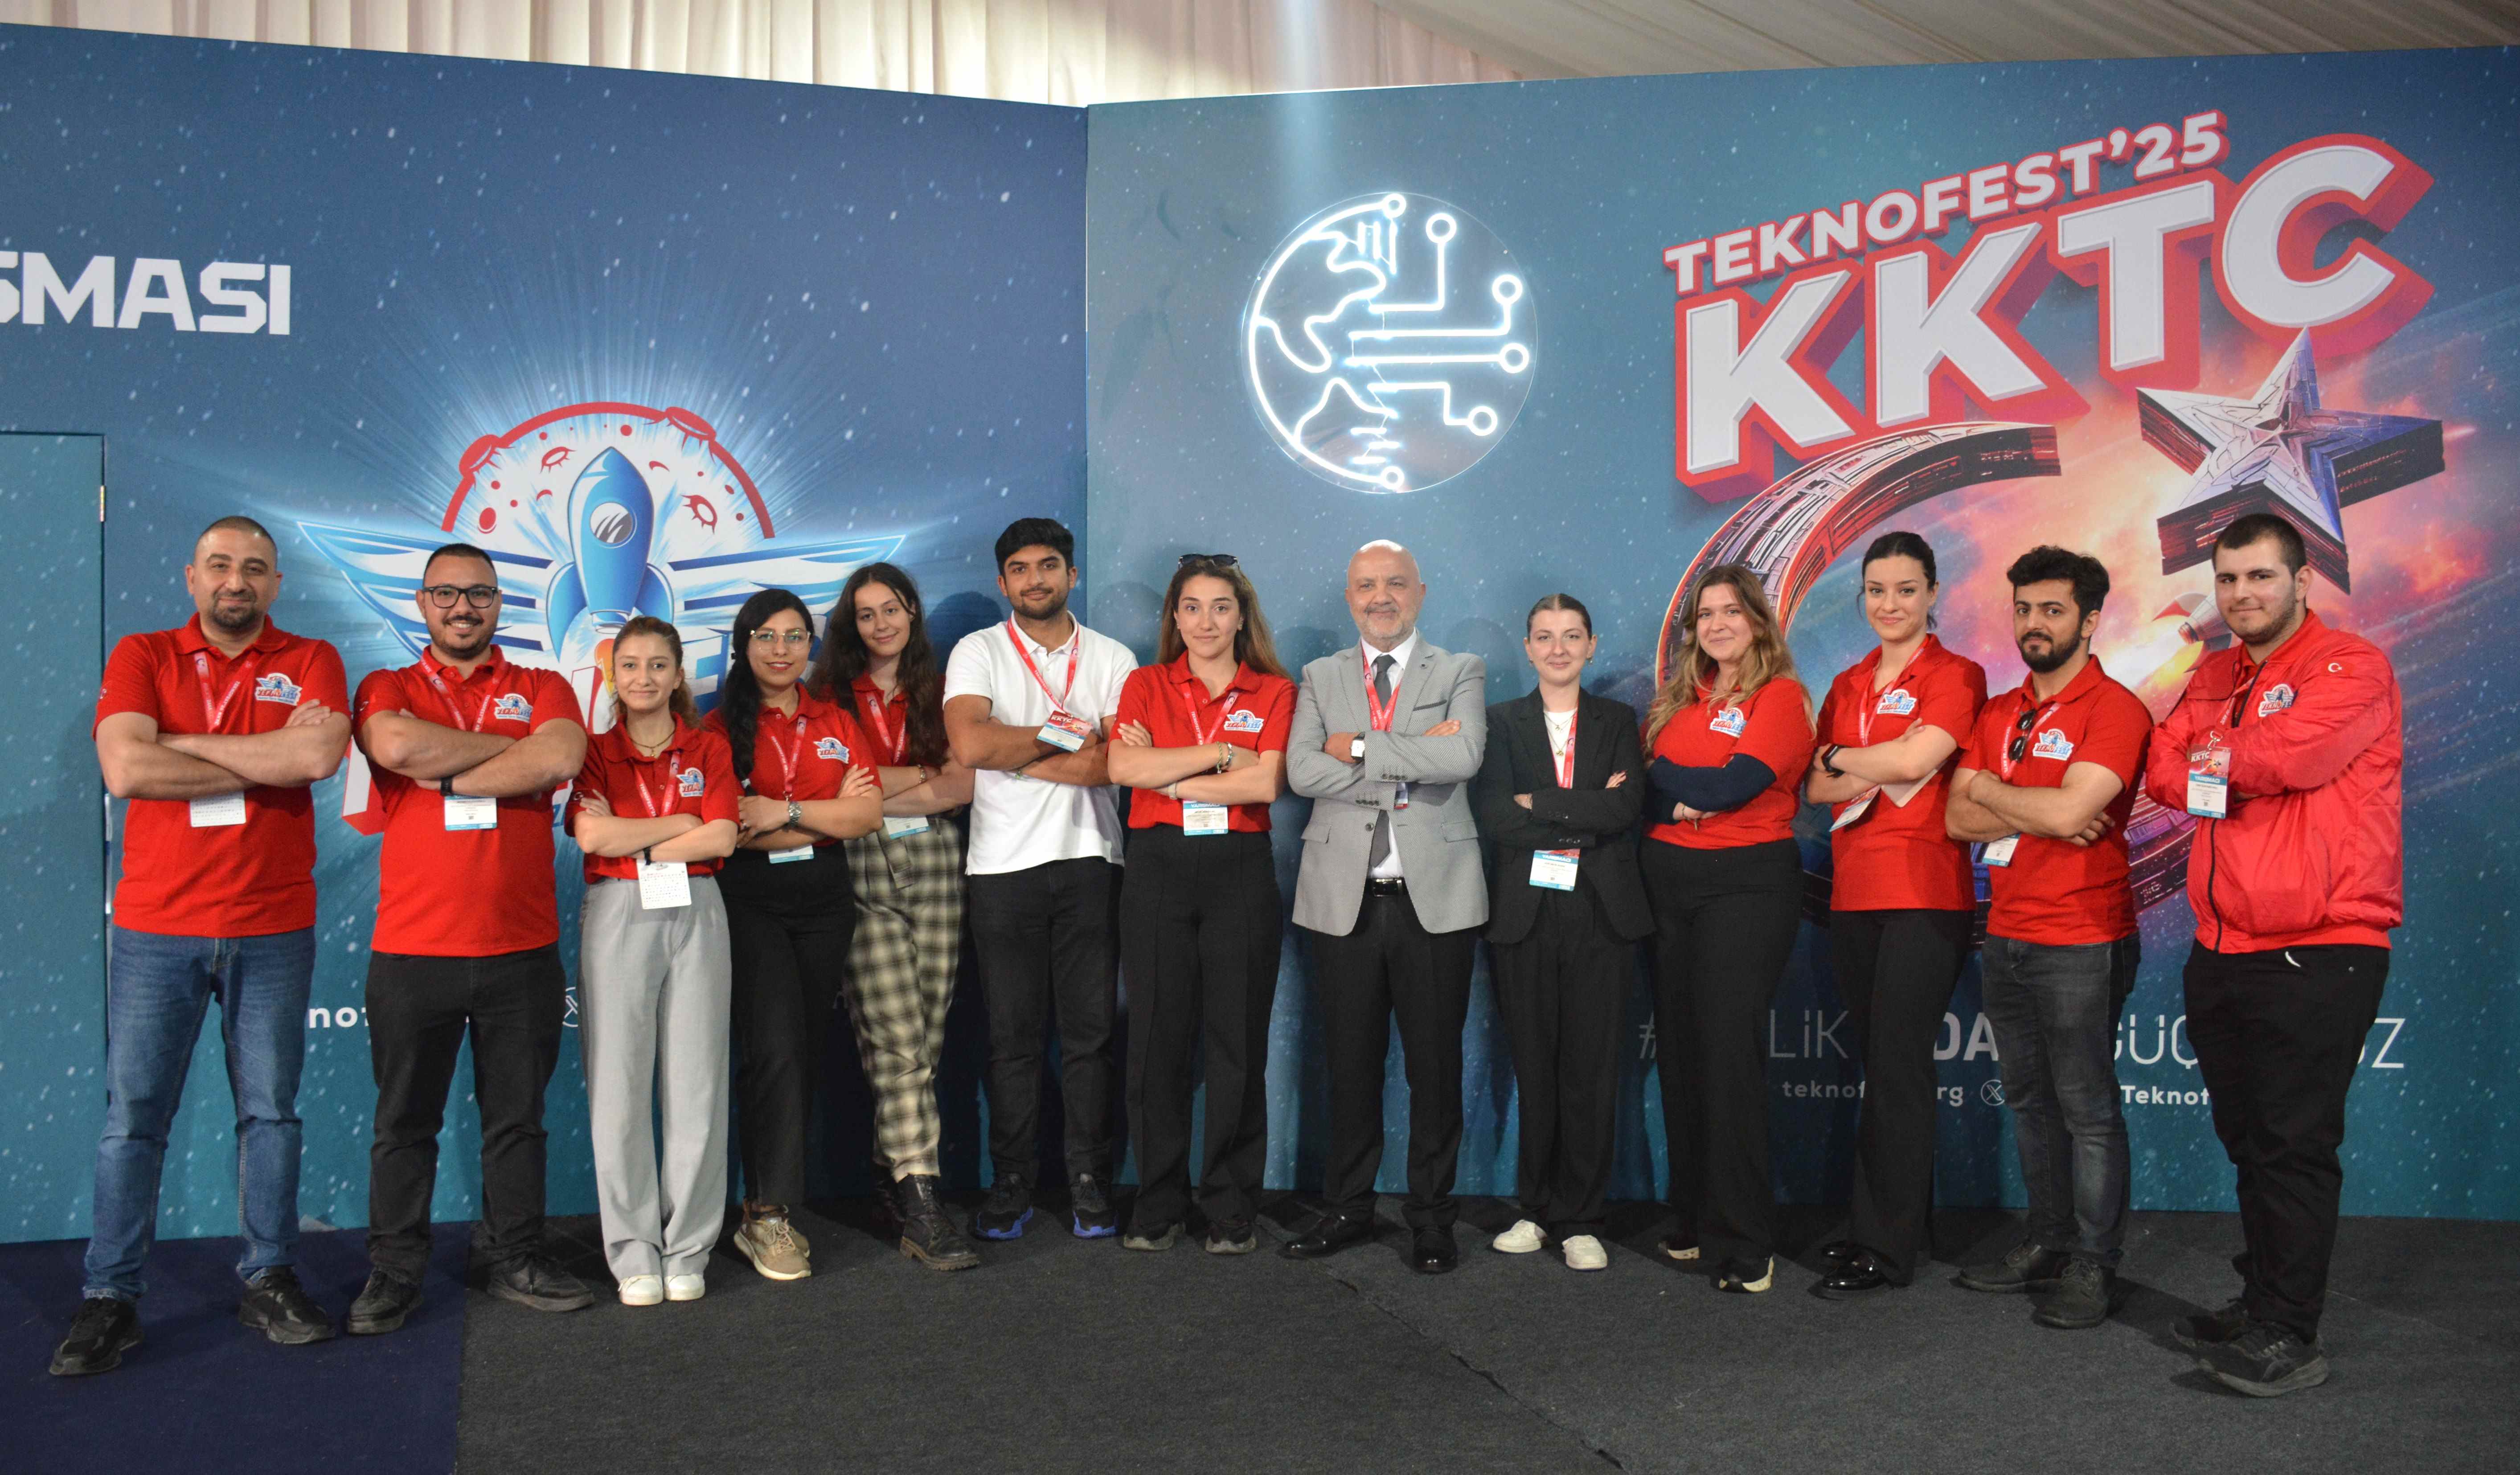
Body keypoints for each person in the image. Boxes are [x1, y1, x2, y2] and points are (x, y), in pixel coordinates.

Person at [51, 518, 351, 1377]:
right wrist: (266, 755)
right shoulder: (143, 654)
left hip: (273, 925)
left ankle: (269, 1275)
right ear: (192, 576)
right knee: (135, 1119)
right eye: (220, 565)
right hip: (158, 928)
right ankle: (111, 1295)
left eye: (255, 568)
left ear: (276, 583)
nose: (236, 581)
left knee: (271, 1113)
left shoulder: (313, 658)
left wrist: (173, 743)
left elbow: (317, 755)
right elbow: (125, 770)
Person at [2142, 512, 2401, 1397]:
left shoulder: (2351, 666)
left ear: (2301, 580)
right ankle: (2262, 1300)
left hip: (2318, 944)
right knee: (2248, 1138)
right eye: (2227, 579)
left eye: (2259, 576)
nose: (2241, 594)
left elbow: (2291, 757)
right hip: (2221, 943)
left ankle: (2290, 1332)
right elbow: (2161, 769)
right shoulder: (2215, 672)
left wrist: (2215, 759)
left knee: (2291, 1142)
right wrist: (2224, 761)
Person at [347, 543, 594, 1334]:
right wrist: (514, 754)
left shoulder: (544, 684)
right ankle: (395, 1269)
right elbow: (395, 746)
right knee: (404, 1122)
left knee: (517, 1119)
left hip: (520, 948)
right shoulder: (388, 685)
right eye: (447, 593)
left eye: (480, 593)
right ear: (423, 603)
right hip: (413, 948)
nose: (463, 607)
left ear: (500, 603)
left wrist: (448, 769)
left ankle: (515, 1254)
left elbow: (564, 753)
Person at [1945, 545, 2151, 1331]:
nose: (2034, 623)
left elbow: (2072, 813)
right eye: (2025, 609)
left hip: (2084, 935)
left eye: (2053, 610)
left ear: (2090, 620)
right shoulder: (2001, 710)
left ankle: (2094, 1263)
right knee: (2030, 1101)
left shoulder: (2116, 709)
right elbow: (1956, 817)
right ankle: (2049, 1239)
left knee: (2087, 1110)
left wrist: (1996, 790)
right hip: (2007, 933)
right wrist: (2035, 804)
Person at [1282, 540, 1488, 1275]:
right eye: (1367, 584)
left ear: (1419, 592)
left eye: (1395, 583)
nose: (1381, 596)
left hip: (1436, 902)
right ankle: (1348, 1207)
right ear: (1350, 596)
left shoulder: (1460, 670)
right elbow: (1301, 769)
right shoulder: (1320, 675)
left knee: (1434, 1070)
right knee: (1350, 1066)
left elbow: (1463, 758)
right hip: (1344, 902)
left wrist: (1360, 745)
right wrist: (1409, 752)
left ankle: (1432, 1218)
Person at [1801, 533, 1988, 1299]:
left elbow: (1917, 761)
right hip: (1854, 894)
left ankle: (1885, 1247)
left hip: (1925, 892)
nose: (1890, 604)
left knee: (1900, 1067)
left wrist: (1850, 757)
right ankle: (1889, 1222)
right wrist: (1864, 759)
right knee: (1880, 1066)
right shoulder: (1847, 682)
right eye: (1877, 590)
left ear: (1932, 593)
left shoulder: (1957, 673)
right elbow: (1814, 786)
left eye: (1906, 589)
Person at [943, 517, 1136, 1240]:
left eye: (1049, 565)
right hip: (1002, 869)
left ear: (1071, 574)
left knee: (1090, 1037)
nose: (1035, 579)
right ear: (1003, 582)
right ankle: (1012, 1180)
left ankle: (1089, 1178)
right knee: (1012, 1040)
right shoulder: (978, 650)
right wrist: (1064, 736)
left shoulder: (1113, 657)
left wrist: (1018, 754)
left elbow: (1111, 765)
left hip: (1091, 860)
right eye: (1020, 569)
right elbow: (970, 744)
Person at [1106, 554, 1295, 1255]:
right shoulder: (1145, 683)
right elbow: (1123, 767)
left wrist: (1172, 773)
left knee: (1236, 1041)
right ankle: (1157, 1199)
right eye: (1192, 607)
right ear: (1175, 617)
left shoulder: (1274, 690)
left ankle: (1229, 1201)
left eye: (1221, 607)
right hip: (1157, 867)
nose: (1206, 621)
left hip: (1238, 869)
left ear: (1241, 616)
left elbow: (1264, 784)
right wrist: (1221, 754)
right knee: (1156, 1039)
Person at [1640, 564, 1816, 1295]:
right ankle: (1694, 1216)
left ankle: (1746, 1239)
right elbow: (1644, 796)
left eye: (1731, 612)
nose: (1716, 625)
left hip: (1745, 885)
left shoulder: (1781, 697)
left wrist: (1663, 778)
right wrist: (1671, 791)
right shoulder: (1679, 699)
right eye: (1705, 614)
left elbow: (1732, 785)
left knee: (1727, 1055)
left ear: (1758, 621)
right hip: (1667, 884)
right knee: (1681, 1053)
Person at [707, 589, 884, 1282]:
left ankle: (767, 1202)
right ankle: (768, 1214)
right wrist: (822, 813)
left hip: (825, 900)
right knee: (775, 1047)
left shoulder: (836, 718)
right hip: (750, 901)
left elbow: (866, 816)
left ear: (811, 645)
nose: (781, 650)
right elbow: (730, 829)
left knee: (799, 1049)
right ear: (743, 645)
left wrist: (782, 811)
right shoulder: (717, 727)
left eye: (794, 636)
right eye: (766, 636)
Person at [809, 564, 981, 1272]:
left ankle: (891, 1173)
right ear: (850, 625)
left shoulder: (942, 688)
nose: (881, 624)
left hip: (938, 858)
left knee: (927, 1031)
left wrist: (874, 786)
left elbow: (962, 784)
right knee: (897, 1033)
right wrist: (918, 778)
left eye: (892, 609)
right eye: (866, 614)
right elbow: (827, 787)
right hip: (858, 861)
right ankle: (923, 1199)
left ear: (912, 612)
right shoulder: (827, 697)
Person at [565, 617, 741, 1306]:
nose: (644, 677)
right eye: (631, 665)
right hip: (619, 910)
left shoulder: (710, 745)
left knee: (698, 1085)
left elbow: (721, 835)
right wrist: (677, 826)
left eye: (658, 664)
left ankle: (688, 1246)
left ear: (678, 674)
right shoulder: (594, 750)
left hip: (698, 908)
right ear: (615, 674)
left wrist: (633, 837)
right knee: (618, 1087)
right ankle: (634, 1250)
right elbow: (591, 834)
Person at [1471, 593, 1648, 1273]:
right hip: (1526, 913)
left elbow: (1624, 807)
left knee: (1591, 1070)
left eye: (1572, 636)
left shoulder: (1617, 720)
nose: (1558, 648)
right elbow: (1495, 815)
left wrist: (1540, 803)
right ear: (1528, 647)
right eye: (1544, 636)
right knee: (1535, 1066)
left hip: (1602, 912)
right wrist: (1583, 810)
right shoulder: (1500, 721)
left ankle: (1582, 1218)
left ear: (1591, 645)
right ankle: (1535, 1210)